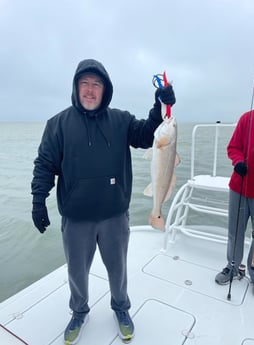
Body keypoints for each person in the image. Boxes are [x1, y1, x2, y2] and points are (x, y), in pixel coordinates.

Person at [31, 58, 176, 344]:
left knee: (118, 268)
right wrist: (38, 199)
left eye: (96, 84)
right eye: (84, 83)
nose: (89, 90)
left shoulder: (120, 120)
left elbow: (148, 136)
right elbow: (44, 164)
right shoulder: (58, 124)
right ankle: (78, 311)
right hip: (76, 217)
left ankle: (121, 308)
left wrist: (160, 105)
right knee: (76, 271)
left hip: (114, 215)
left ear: (105, 89)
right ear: (76, 87)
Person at [215, 76, 254, 298]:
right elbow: (233, 147)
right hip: (240, 187)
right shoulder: (246, 119)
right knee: (235, 231)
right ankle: (233, 266)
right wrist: (238, 161)